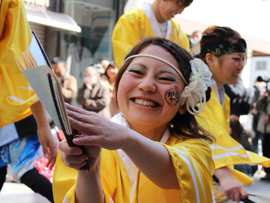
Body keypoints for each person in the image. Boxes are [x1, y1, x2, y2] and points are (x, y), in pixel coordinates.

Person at [53, 37, 215, 203]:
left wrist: (126, 139)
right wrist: (88, 171)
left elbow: (176, 174)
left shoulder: (196, 150)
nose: (147, 85)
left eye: (165, 78)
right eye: (137, 72)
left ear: (184, 100)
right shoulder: (85, 143)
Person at [196, 26, 270, 202]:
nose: (241, 65)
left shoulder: (221, 94)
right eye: (236, 59)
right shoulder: (198, 91)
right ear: (210, 58)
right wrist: (224, 176)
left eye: (243, 59)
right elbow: (199, 135)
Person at [0, 0, 57, 201]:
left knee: (25, 171)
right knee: (25, 171)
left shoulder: (11, 6)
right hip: (14, 121)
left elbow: (24, 63)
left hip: (14, 121)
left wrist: (43, 124)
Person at [112, 0, 192, 69]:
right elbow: (126, 59)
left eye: (184, 7)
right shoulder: (130, 21)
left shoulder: (177, 32)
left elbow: (186, 63)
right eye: (178, 3)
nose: (180, 11)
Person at [256, 88, 270, 181]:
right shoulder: (266, 97)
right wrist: (262, 98)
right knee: (266, 150)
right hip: (266, 129)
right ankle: (268, 172)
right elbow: (258, 107)